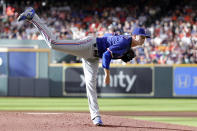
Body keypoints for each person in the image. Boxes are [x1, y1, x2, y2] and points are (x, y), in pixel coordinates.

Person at [17, 7, 150, 126]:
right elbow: (106, 55)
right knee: (54, 43)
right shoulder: (125, 41)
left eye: (145, 38)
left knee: (90, 85)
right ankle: (33, 16)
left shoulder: (125, 42)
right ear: (134, 35)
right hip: (89, 45)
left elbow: (109, 37)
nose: (143, 40)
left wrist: (119, 52)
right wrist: (107, 74)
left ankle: (96, 116)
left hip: (93, 57)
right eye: (141, 37)